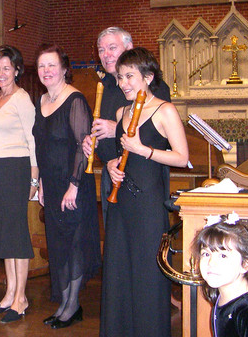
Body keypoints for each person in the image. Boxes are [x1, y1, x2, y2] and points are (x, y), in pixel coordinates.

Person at [100, 47, 188, 337]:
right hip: (121, 202)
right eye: (121, 77)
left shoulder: (165, 110)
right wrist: (112, 164)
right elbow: (117, 156)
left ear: (148, 77)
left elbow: (181, 158)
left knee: (148, 275)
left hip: (149, 203)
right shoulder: (121, 112)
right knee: (119, 273)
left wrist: (144, 150)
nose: (123, 83)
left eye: (130, 76)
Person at [32, 44, 102, 330]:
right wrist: (42, 185)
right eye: (41, 66)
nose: (47, 71)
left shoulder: (75, 100)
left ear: (64, 69)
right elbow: (40, 146)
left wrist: (73, 185)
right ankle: (64, 302)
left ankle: (72, 305)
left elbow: (82, 146)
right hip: (51, 182)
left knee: (73, 244)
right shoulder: (41, 102)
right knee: (58, 245)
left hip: (72, 182)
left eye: (52, 65)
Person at [84, 27, 170, 227]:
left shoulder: (154, 86)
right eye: (101, 50)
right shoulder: (104, 87)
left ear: (129, 48)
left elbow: (159, 135)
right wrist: (92, 141)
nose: (106, 55)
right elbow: (101, 129)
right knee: (117, 243)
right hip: (111, 172)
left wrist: (116, 129)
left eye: (112, 48)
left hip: (142, 178)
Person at [0, 45, 38, 324]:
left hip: (18, 168)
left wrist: (34, 178)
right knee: (4, 231)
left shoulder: (22, 99)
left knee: (16, 233)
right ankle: (9, 294)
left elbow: (33, 139)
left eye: (6, 68)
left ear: (16, 70)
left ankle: (21, 298)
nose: (1, 73)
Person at [191, 213, 248, 337]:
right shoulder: (222, 295)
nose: (211, 263)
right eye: (206, 254)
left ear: (245, 265)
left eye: (223, 256)